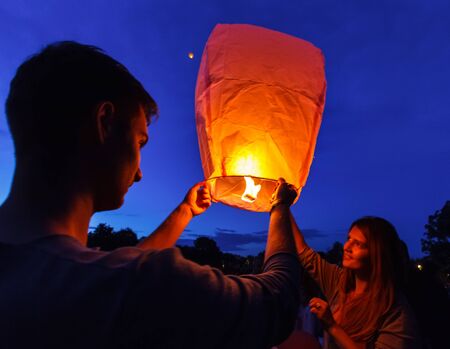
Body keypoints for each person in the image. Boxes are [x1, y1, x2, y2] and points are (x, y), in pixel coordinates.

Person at [0, 41, 301, 348]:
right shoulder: (134, 288)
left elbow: (113, 267)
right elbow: (277, 302)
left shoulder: (52, 275)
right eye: (139, 142)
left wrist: (184, 212)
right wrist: (279, 206)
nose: (140, 173)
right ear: (104, 123)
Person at [290, 215, 421, 349]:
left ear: (377, 255)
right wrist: (282, 206)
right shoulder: (340, 283)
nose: (347, 247)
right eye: (349, 239)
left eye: (358, 244)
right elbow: (304, 252)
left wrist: (332, 326)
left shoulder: (395, 313)